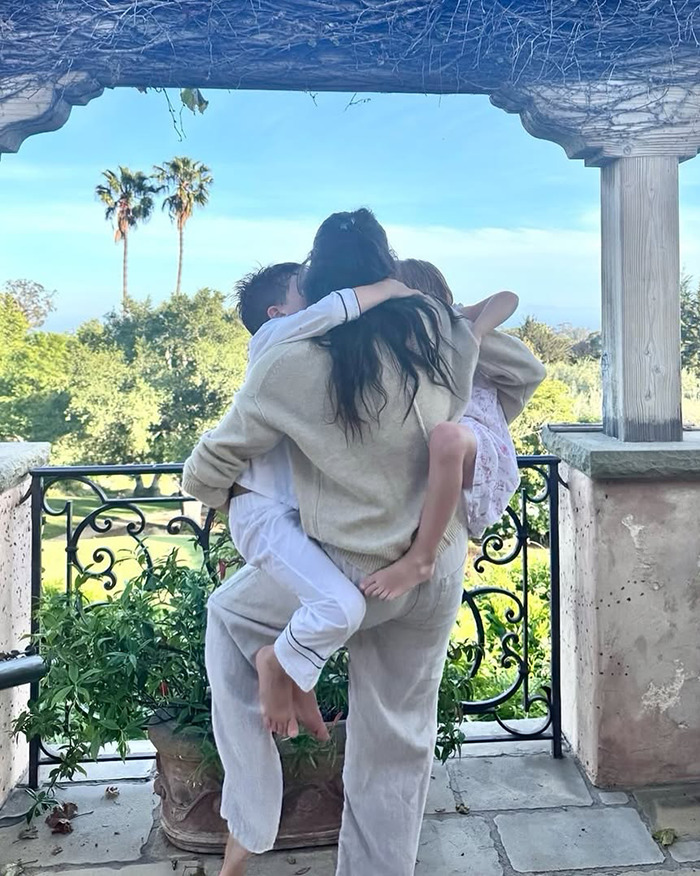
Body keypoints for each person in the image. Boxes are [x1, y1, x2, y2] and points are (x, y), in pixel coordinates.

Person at [183, 208, 545, 876]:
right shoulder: (437, 335)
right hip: (433, 568)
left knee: (230, 616)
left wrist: (224, 496)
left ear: (318, 282)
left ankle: (254, 809)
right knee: (397, 742)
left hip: (349, 567)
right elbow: (501, 362)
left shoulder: (290, 362)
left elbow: (209, 467)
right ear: (385, 268)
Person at [228, 263, 417, 737]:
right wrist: (391, 285)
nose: (312, 294)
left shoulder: (301, 354)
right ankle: (276, 662)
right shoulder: (271, 338)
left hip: (286, 517)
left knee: (325, 604)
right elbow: (335, 308)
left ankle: (295, 678)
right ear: (276, 313)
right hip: (262, 513)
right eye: (300, 290)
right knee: (341, 608)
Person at [361, 261, 520, 599]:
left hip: (477, 435)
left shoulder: (455, 324)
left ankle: (423, 557)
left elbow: (508, 298)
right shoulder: (401, 344)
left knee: (447, 437)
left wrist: (474, 333)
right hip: (451, 434)